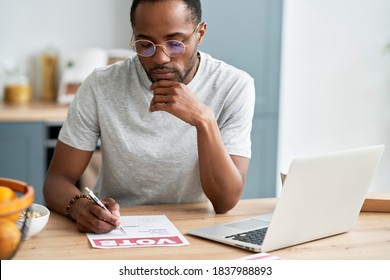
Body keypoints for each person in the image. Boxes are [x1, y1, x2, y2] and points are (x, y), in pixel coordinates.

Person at [43, 0, 255, 233]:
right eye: (145, 44)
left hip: (192, 228)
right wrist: (80, 207)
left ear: (200, 33)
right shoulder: (101, 85)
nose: (160, 58)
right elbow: (57, 180)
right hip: (115, 227)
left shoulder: (234, 86)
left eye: (175, 43)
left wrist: (203, 120)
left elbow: (224, 202)